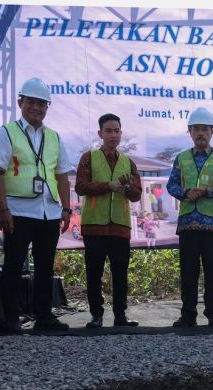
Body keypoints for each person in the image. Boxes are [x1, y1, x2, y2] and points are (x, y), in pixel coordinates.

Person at [0, 77, 73, 333]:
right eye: (32, 102)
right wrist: (3, 209)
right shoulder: (7, 132)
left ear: (47, 107)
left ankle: (44, 316)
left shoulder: (54, 137)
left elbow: (61, 175)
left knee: (46, 265)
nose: (37, 107)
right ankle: (10, 318)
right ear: (21, 102)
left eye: (42, 103)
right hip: (18, 210)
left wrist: (66, 208)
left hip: (48, 210)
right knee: (14, 264)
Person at [167, 107, 213, 327]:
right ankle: (188, 314)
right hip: (188, 224)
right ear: (189, 132)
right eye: (196, 129)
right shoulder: (181, 158)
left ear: (212, 132)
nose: (201, 133)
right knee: (188, 273)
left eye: (205, 129)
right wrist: (186, 193)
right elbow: (171, 185)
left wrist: (207, 191)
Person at [74, 113, 142, 328]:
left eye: (116, 131)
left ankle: (120, 315)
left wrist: (129, 188)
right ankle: (96, 315)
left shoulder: (128, 162)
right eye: (108, 131)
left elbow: (137, 194)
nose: (113, 135)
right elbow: (80, 186)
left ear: (121, 133)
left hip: (120, 226)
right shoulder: (89, 158)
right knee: (94, 272)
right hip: (94, 225)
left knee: (120, 273)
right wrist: (108, 186)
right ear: (100, 133)